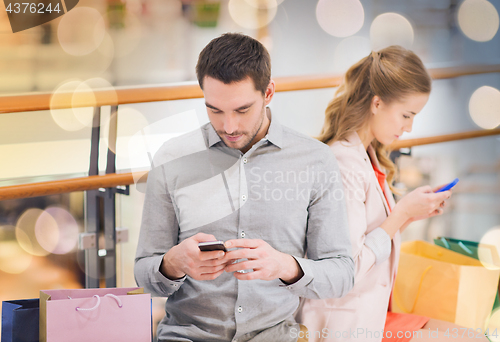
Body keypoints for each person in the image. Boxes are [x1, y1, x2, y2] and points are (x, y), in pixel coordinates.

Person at [134, 33, 354, 342]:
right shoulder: (173, 159)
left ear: (269, 93)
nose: (229, 127)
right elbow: (144, 272)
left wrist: (285, 266)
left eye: (242, 110)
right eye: (215, 110)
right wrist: (172, 264)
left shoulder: (315, 161)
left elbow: (342, 274)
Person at [296, 46, 488, 342]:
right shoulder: (344, 165)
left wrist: (410, 215)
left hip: (372, 310)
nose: (409, 128)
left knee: (474, 336)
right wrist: (402, 212)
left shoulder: (368, 155)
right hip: (344, 322)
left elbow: (372, 235)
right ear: (377, 103)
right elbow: (347, 269)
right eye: (406, 115)